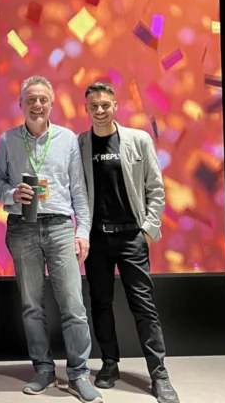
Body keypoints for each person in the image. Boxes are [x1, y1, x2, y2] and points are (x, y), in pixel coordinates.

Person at [0, 75, 102, 403]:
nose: (37, 105)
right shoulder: (7, 140)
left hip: (59, 227)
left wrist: (82, 232)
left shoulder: (67, 139)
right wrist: (12, 194)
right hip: (22, 227)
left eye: (43, 99)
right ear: (20, 104)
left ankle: (79, 373)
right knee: (31, 306)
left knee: (73, 305)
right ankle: (43, 369)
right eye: (31, 100)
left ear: (51, 104)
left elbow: (79, 190)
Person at [78, 82, 180, 403]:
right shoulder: (80, 144)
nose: (99, 110)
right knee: (100, 303)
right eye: (93, 106)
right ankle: (110, 364)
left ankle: (159, 373)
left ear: (115, 105)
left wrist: (147, 229)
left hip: (131, 236)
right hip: (96, 239)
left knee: (143, 306)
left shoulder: (139, 139)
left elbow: (156, 188)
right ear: (86, 108)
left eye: (105, 105)